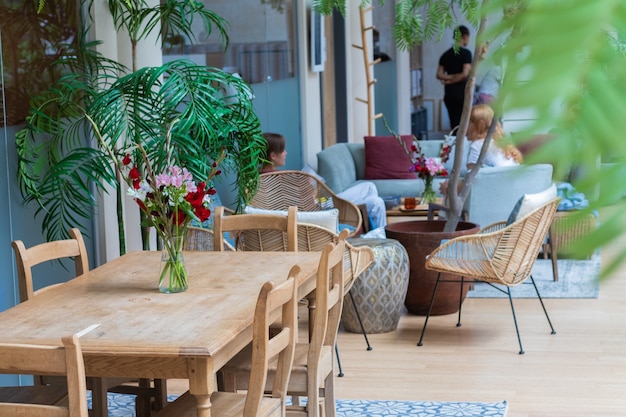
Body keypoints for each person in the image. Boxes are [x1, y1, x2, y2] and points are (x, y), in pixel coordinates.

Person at [259, 132, 387, 230]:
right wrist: (310, 188)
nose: (286, 153)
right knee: (376, 202)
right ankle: (378, 235)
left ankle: (373, 229)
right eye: (282, 150)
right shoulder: (282, 180)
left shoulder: (266, 178)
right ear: (273, 156)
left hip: (323, 204)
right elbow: (307, 207)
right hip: (324, 210)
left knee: (370, 188)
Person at [439, 104, 522, 199]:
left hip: (496, 191)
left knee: (448, 189)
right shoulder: (502, 143)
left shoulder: (477, 145)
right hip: (512, 191)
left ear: (480, 125)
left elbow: (471, 181)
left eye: (469, 121)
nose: (464, 125)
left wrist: (449, 188)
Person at [437, 25, 472, 130]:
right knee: (464, 125)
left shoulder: (446, 54)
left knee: (454, 124)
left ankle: (453, 145)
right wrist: (455, 76)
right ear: (465, 36)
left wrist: (448, 80)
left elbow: (439, 75)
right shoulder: (466, 53)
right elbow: (465, 74)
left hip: (449, 94)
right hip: (462, 94)